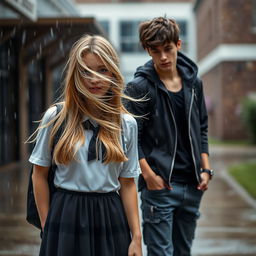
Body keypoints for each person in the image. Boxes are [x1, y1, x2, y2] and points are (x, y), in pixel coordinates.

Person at [29, 34, 142, 256]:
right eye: (85, 71)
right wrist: (47, 224)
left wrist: (137, 237)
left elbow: (128, 184)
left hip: (111, 216)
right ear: (75, 75)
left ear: (113, 72)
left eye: (102, 69)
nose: (94, 78)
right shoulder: (56, 117)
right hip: (66, 213)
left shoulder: (126, 124)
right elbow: (39, 174)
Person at [125, 17, 213, 256]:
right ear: (147, 50)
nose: (163, 57)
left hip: (193, 186)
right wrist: (149, 175)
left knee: (182, 252)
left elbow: (201, 127)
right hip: (161, 187)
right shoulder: (139, 87)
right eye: (155, 51)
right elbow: (130, 139)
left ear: (178, 44)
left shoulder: (194, 83)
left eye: (168, 49)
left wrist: (206, 169)